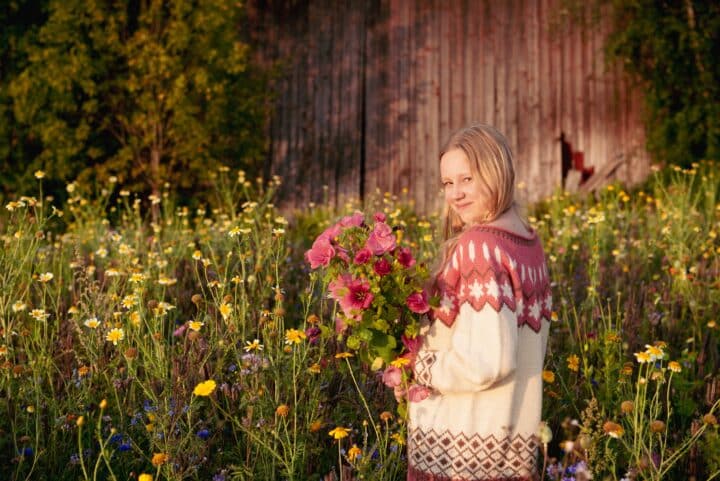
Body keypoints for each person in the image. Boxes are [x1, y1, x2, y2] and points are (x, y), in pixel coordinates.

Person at [409, 123, 552, 481]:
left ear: (495, 172)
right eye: (447, 183)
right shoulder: (526, 241)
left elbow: (486, 363)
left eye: (467, 179)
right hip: (509, 447)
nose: (455, 194)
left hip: (462, 450)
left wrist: (418, 364)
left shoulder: (481, 245)